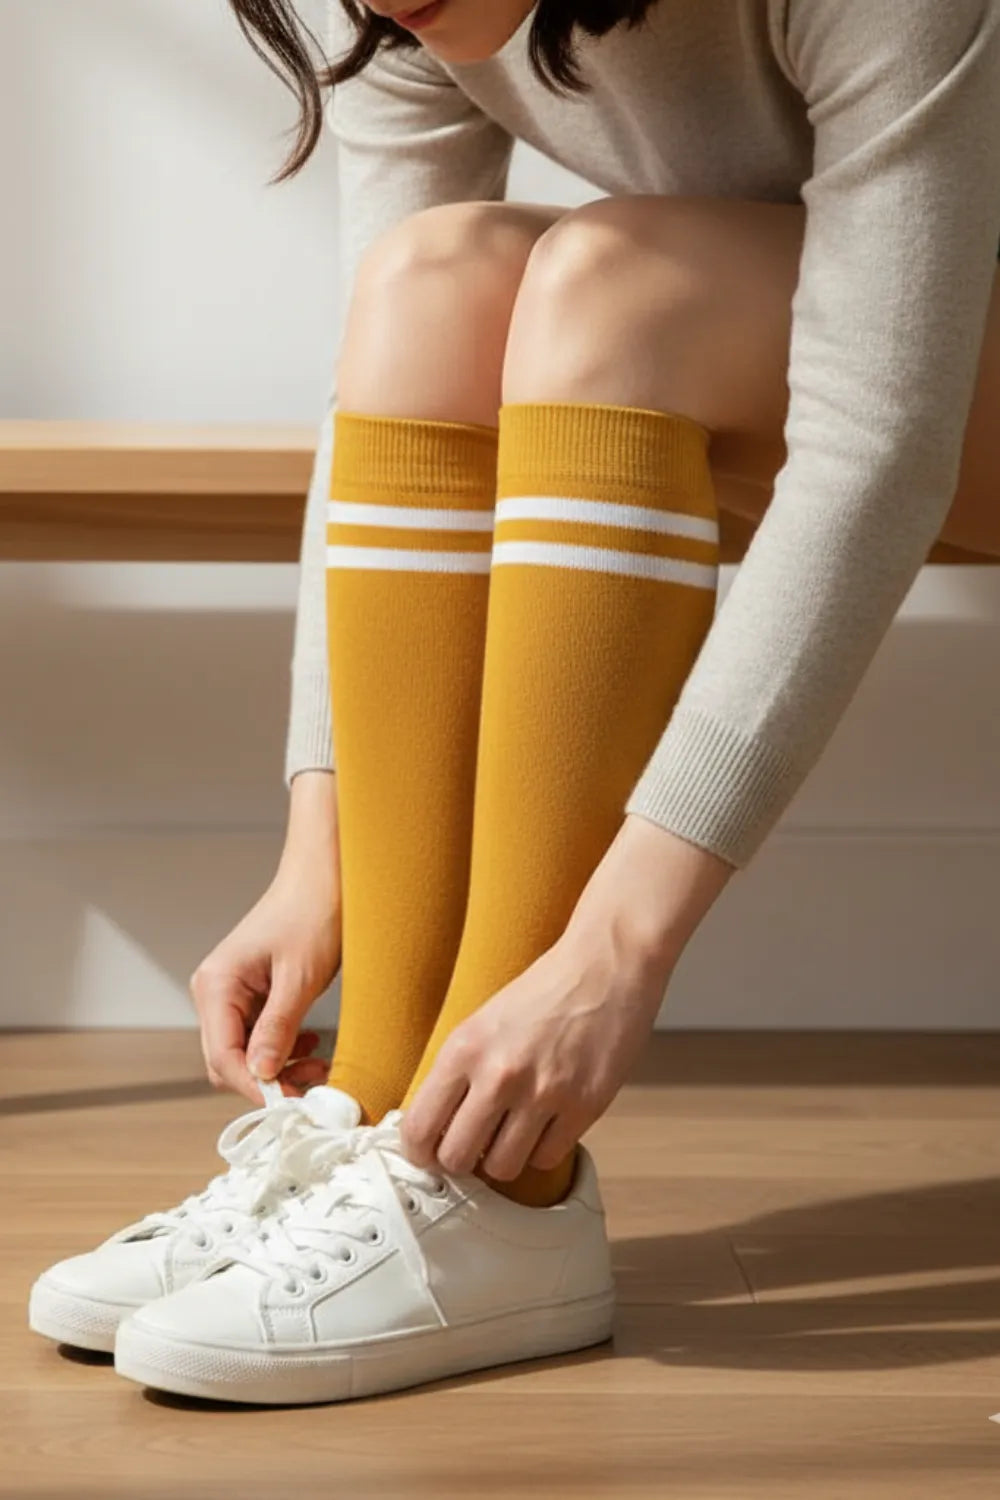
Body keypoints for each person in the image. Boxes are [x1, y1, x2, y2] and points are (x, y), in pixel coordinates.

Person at [29, 0, 1000, 1405]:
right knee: (433, 279)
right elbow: (376, 389)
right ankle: (382, 1114)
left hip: (945, 373)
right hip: (829, 355)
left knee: (608, 283)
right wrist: (322, 851)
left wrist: (618, 947)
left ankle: (505, 1187)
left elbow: (881, 438)